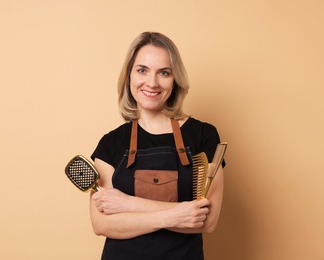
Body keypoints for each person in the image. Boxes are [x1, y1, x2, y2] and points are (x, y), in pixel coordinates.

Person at [90, 31, 225, 260]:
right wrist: (176, 215)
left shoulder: (203, 135)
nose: (152, 83)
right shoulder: (110, 143)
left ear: (175, 80)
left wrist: (128, 204)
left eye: (164, 73)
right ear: (129, 76)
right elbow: (101, 223)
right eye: (142, 70)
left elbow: (207, 221)